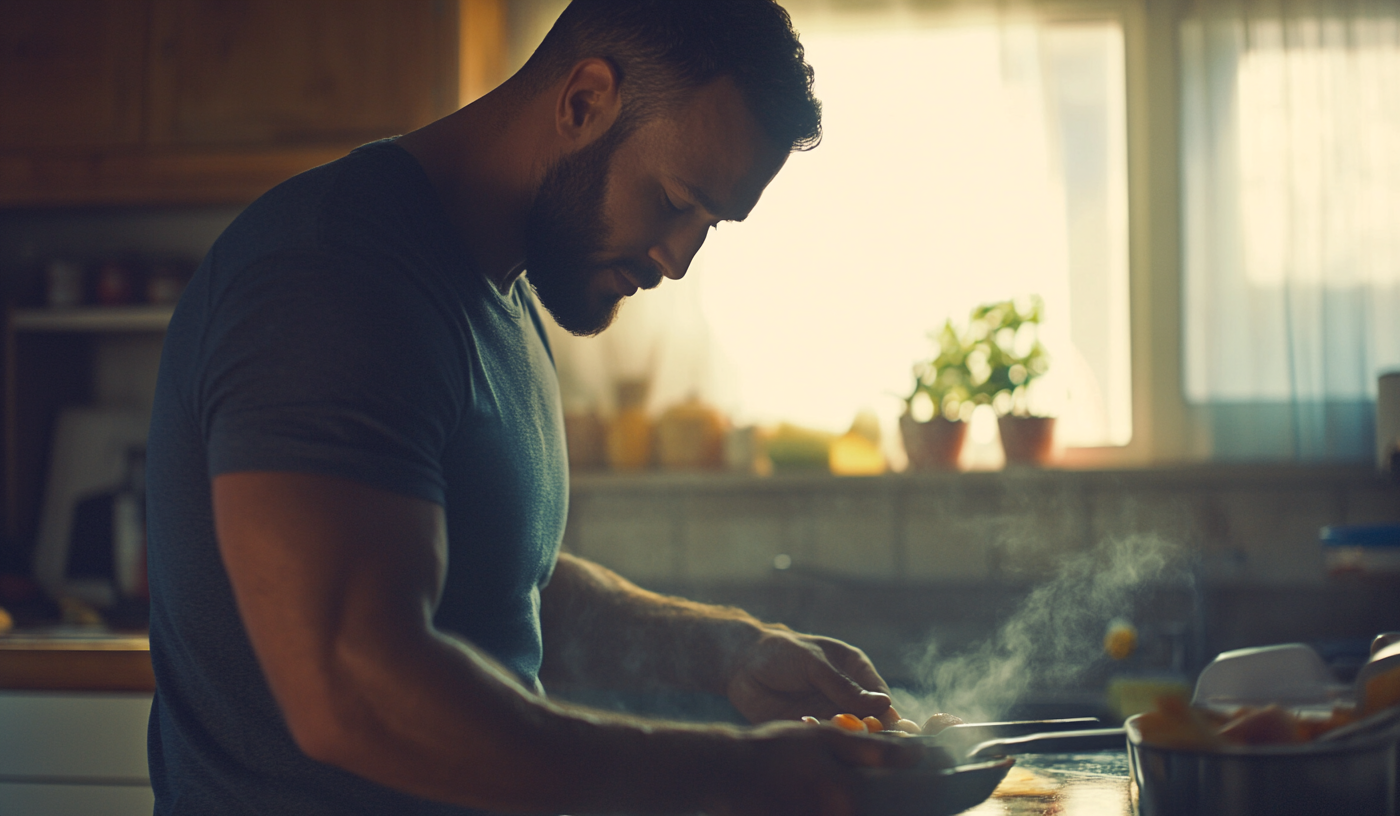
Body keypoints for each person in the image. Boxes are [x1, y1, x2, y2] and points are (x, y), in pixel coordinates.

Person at [145, 1, 920, 814]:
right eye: (673, 199)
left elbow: (496, 583)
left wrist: (727, 651)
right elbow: (352, 692)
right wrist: (739, 775)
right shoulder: (335, 274)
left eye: (709, 225)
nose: (679, 258)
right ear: (584, 101)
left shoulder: (503, 292)